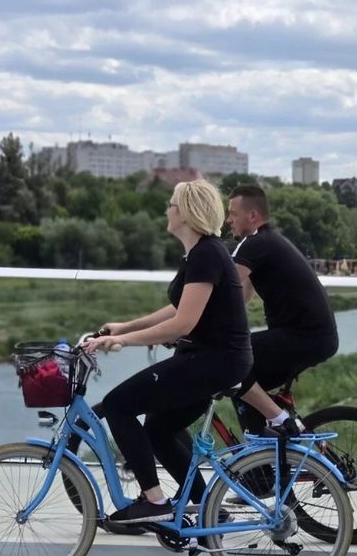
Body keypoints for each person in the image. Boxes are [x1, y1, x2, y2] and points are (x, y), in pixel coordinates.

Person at [82, 180, 252, 523]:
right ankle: (209, 508)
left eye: (171, 204)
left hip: (213, 361)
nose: (167, 210)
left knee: (118, 405)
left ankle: (154, 501)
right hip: (213, 360)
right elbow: (178, 309)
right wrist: (125, 327)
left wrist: (123, 342)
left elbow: (182, 325)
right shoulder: (201, 253)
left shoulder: (206, 254)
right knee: (158, 430)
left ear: (186, 213)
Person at [224, 185, 339, 433]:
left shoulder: (254, 244)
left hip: (303, 337)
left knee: (230, 361)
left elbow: (222, 293)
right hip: (316, 337)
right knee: (243, 386)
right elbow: (238, 299)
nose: (228, 219)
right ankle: (265, 458)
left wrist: (189, 327)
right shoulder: (268, 241)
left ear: (252, 216)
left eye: (232, 213)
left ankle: (284, 425)